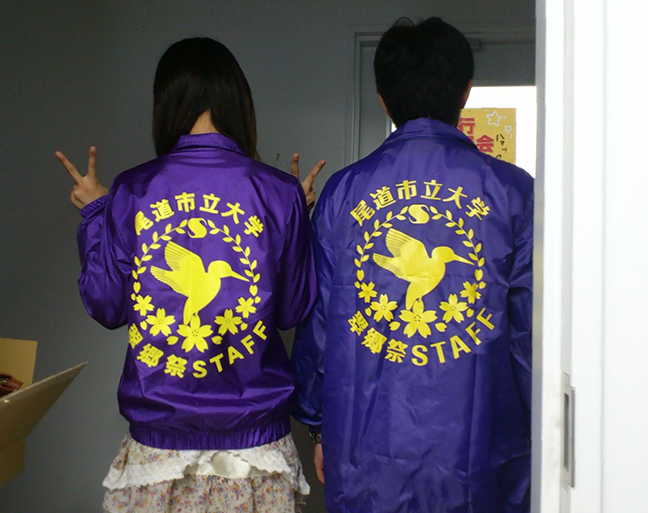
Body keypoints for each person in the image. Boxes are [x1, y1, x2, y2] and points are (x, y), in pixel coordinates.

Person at [56, 37, 324, 513]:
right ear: (239, 101)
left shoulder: (134, 188)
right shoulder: (277, 191)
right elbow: (293, 309)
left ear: (166, 104)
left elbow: (107, 305)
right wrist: (292, 220)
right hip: (257, 453)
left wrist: (97, 213)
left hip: (158, 453)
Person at [291, 17, 533, 513]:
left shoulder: (343, 192)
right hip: (481, 456)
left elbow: (320, 324)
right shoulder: (513, 193)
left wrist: (318, 423)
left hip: (367, 454)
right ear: (466, 92)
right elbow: (531, 334)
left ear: (383, 100)